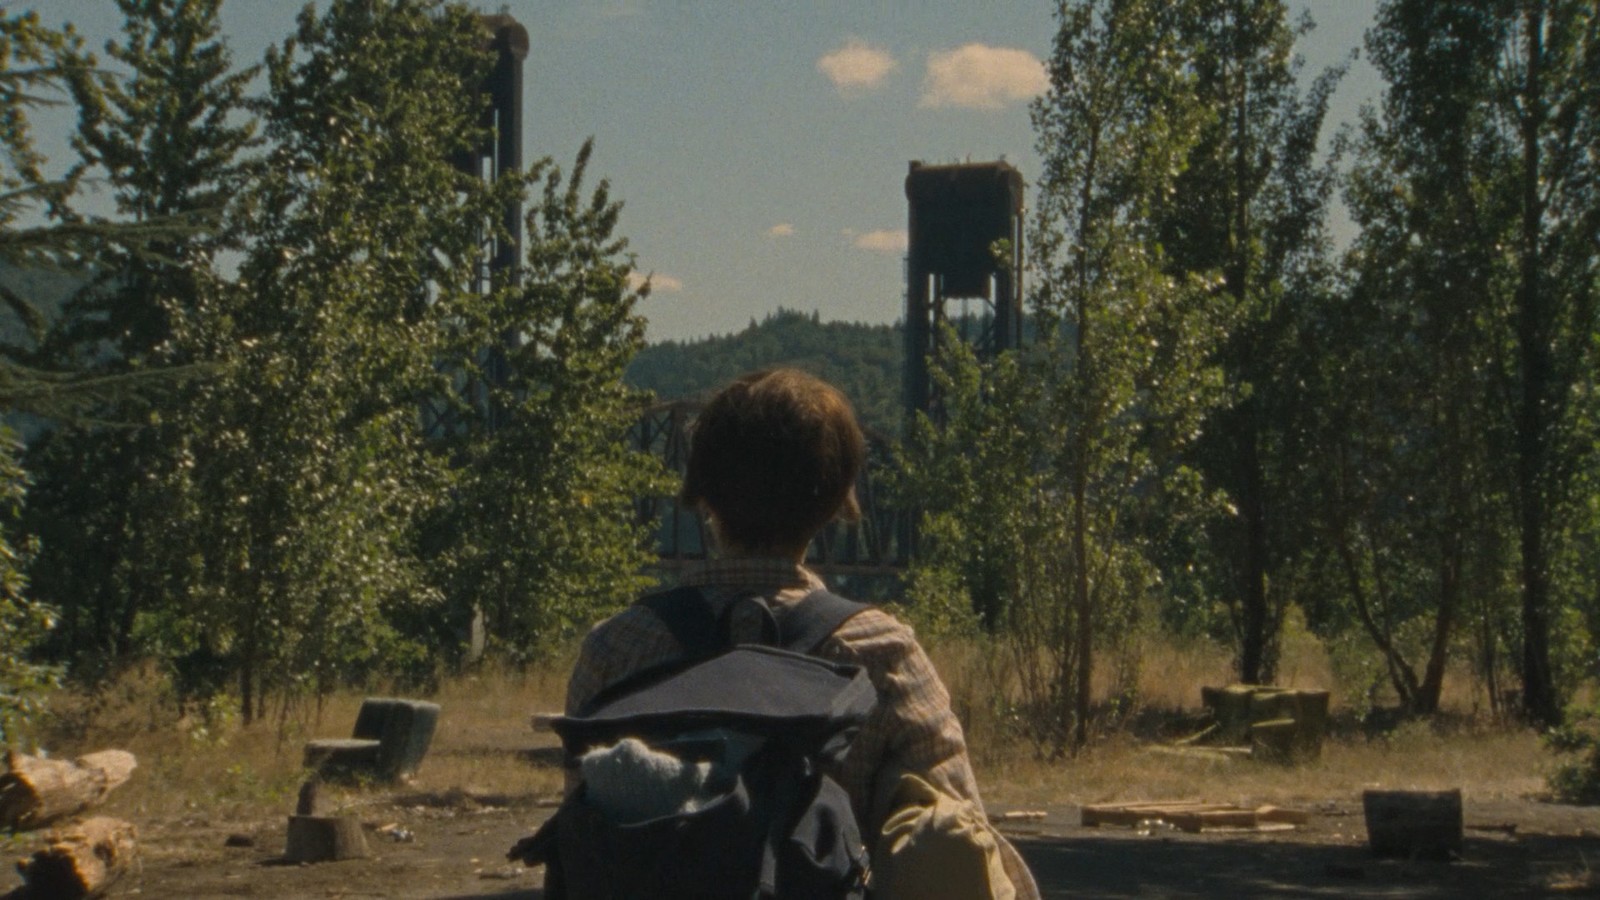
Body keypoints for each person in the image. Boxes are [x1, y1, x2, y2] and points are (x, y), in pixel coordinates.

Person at [563, 367, 1038, 899]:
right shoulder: (883, 657)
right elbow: (954, 851)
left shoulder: (616, 650)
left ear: (703, 495)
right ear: (837, 503)